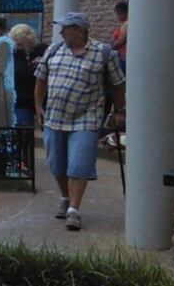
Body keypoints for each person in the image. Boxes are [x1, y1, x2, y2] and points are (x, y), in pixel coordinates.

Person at [35, 12, 125, 232]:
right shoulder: (54, 50)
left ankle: (73, 210)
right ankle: (65, 197)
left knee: (79, 163)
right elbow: (41, 79)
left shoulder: (104, 53)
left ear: (80, 30)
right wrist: (38, 106)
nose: (61, 32)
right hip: (55, 117)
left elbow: (118, 84)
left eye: (66, 28)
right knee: (56, 163)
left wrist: (119, 111)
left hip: (86, 118)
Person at [8, 24, 47, 127]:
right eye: (15, 39)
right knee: (23, 127)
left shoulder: (43, 50)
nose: (18, 42)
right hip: (21, 99)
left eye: (21, 39)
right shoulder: (13, 53)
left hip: (42, 96)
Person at [110, 0, 128, 74]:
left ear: (122, 13)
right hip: (122, 57)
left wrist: (110, 49)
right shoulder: (125, 23)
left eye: (117, 14)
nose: (116, 16)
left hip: (124, 58)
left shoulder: (127, 23)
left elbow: (121, 40)